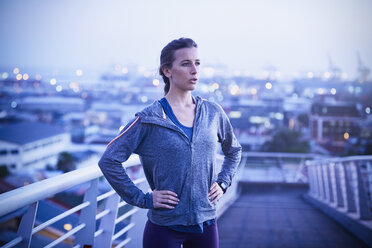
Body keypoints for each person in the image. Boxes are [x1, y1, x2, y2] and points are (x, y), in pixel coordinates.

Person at [98, 37, 242, 248]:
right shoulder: (149, 119)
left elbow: (234, 151)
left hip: (206, 224)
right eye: (186, 63)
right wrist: (143, 199)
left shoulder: (213, 113)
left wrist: (223, 182)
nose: (194, 70)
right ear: (167, 71)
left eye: (197, 63)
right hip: (164, 229)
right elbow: (109, 160)